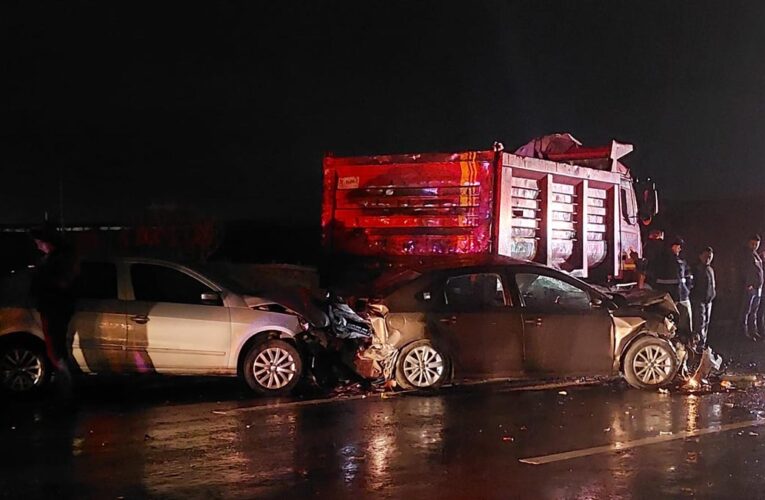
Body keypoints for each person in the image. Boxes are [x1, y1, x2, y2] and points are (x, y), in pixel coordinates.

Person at [30, 226, 80, 394]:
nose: (38, 247)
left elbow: (63, 284)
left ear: (48, 243)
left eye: (40, 243)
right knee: (56, 346)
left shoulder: (58, 261)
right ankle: (65, 381)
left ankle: (66, 383)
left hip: (54, 307)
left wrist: (45, 284)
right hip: (54, 306)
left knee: (55, 347)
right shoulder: (57, 259)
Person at [654, 236, 692, 339]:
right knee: (674, 326)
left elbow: (688, 277)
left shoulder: (679, 261)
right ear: (672, 246)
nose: (680, 249)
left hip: (678, 297)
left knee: (680, 325)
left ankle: (684, 345)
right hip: (674, 299)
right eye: (678, 246)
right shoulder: (664, 261)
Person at [690, 247, 716, 351]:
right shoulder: (696, 269)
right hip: (699, 300)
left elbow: (713, 285)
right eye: (705, 256)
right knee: (699, 323)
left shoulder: (710, 269)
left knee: (706, 323)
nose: (707, 259)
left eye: (709, 257)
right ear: (700, 256)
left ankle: (702, 344)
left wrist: (713, 295)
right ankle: (698, 345)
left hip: (708, 300)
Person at [739, 234, 764, 341]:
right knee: (746, 311)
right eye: (753, 244)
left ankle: (753, 331)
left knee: (754, 310)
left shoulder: (756, 255)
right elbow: (745, 270)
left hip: (758, 287)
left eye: (756, 244)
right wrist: (748, 284)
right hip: (751, 288)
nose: (754, 246)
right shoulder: (746, 255)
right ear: (749, 243)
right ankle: (744, 332)